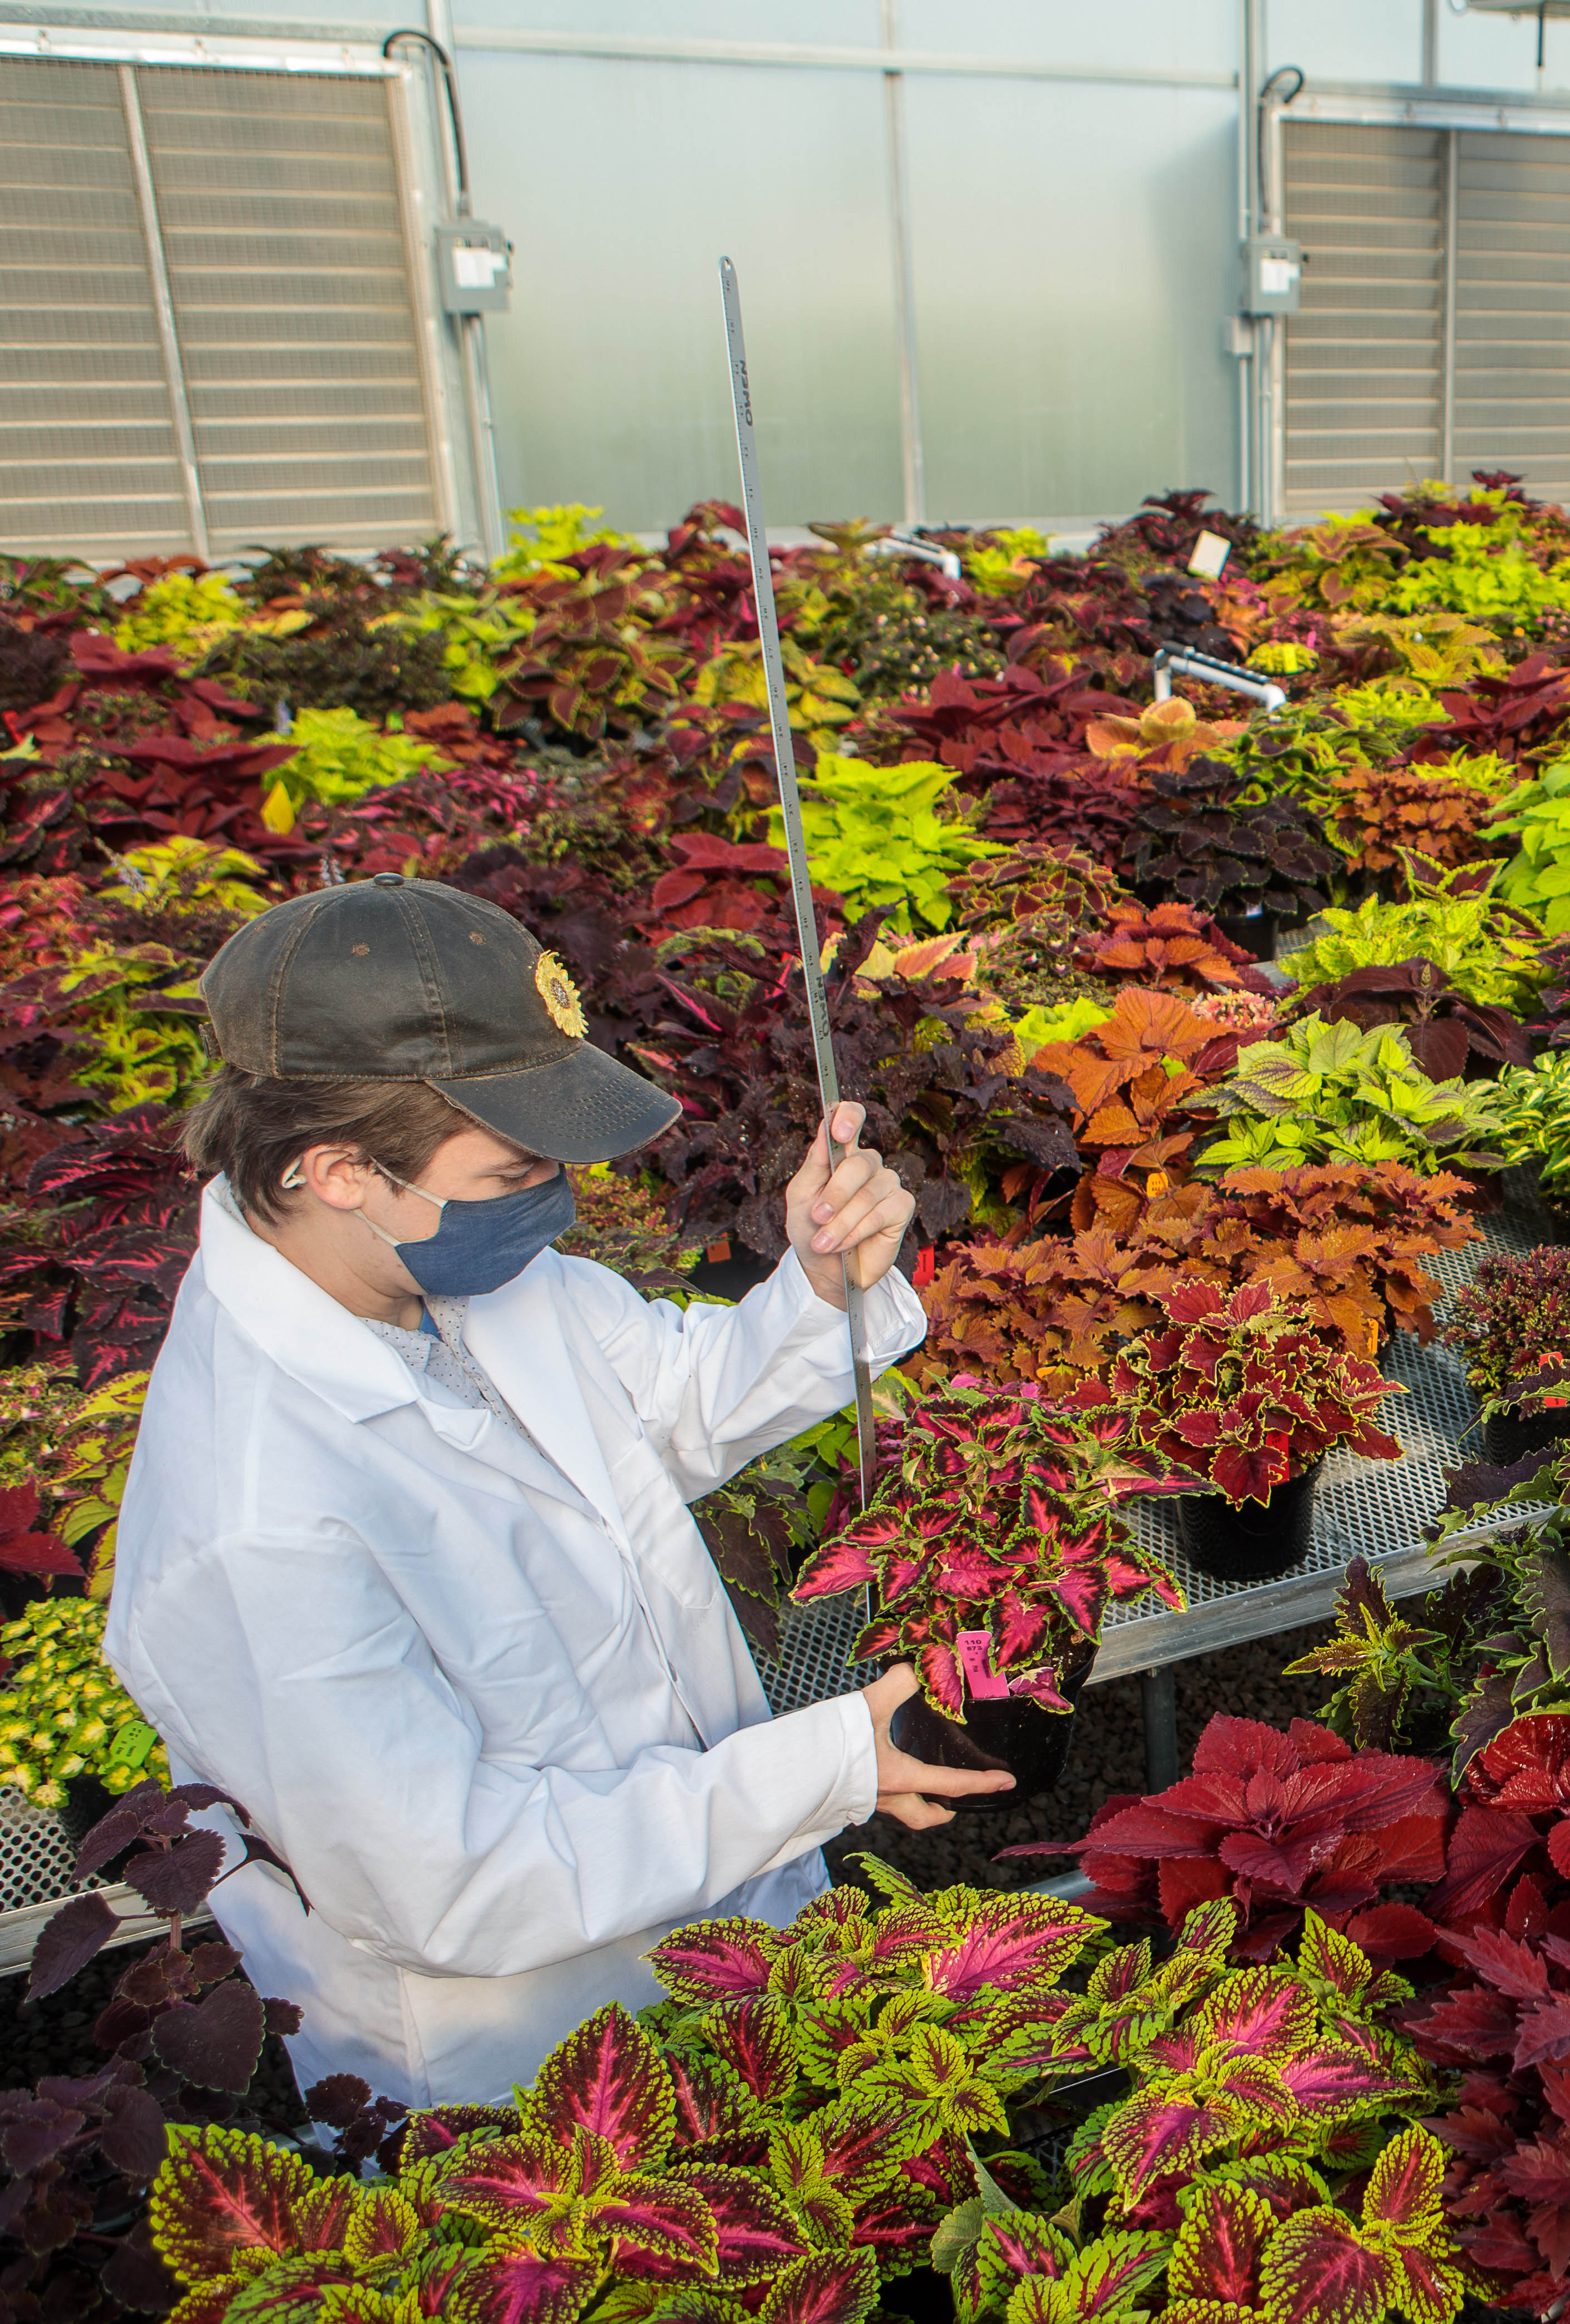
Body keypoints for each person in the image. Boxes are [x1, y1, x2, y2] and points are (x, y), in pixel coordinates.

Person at [103, 873, 1010, 2108]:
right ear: (338, 1169)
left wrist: (818, 1282)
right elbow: (456, 1879)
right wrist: (814, 1771)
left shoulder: (439, 1266)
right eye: (512, 1169)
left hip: (719, 1932)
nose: (551, 1199)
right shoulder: (257, 1516)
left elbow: (665, 1408)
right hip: (530, 2064)